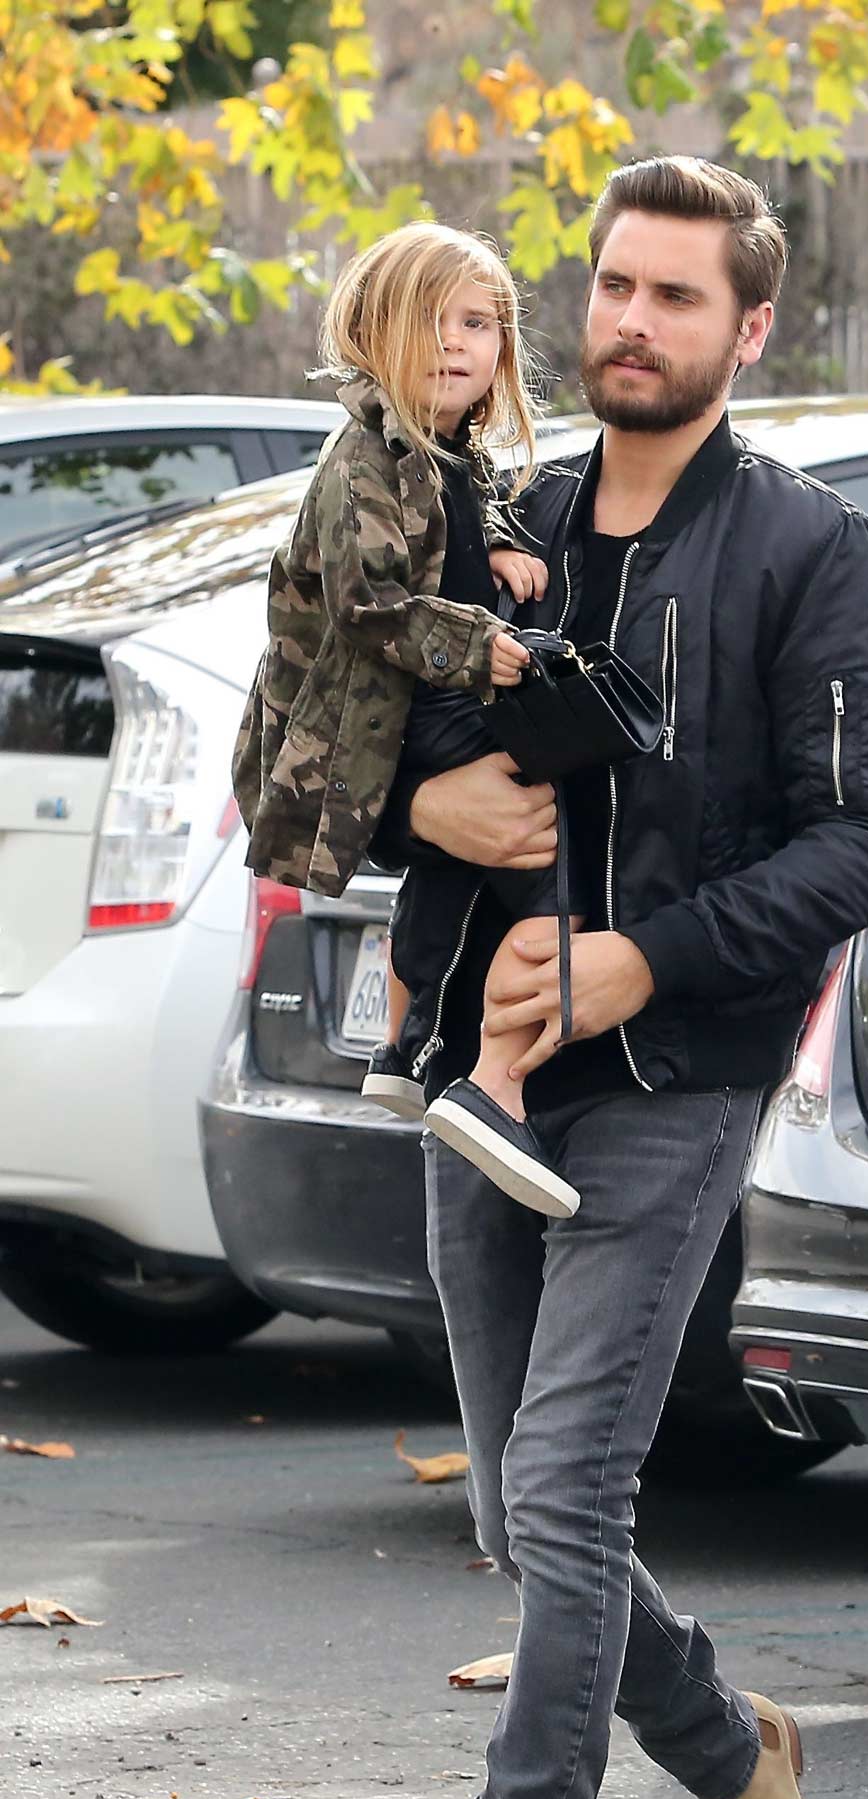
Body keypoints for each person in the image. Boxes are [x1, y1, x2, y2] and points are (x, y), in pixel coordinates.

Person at [370, 157, 868, 1799]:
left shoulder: (805, 549)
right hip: (484, 1072)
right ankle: (723, 1731)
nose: (632, 321)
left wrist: (645, 956)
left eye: (678, 298)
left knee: (572, 1472)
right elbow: (344, 728)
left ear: (747, 330)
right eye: (613, 286)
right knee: (528, 1525)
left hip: (673, 1072)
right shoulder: (492, 506)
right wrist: (410, 813)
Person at [232, 222, 597, 1215]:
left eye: (478, 322)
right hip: (398, 714)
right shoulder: (361, 454)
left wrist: (506, 547)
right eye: (431, 319)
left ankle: (402, 1048)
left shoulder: (446, 451)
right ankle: (498, 1083)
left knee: (447, 873)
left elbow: (453, 531)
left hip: (427, 704)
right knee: (547, 860)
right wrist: (485, 642)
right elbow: (370, 603)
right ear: (372, 328)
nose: (456, 342)